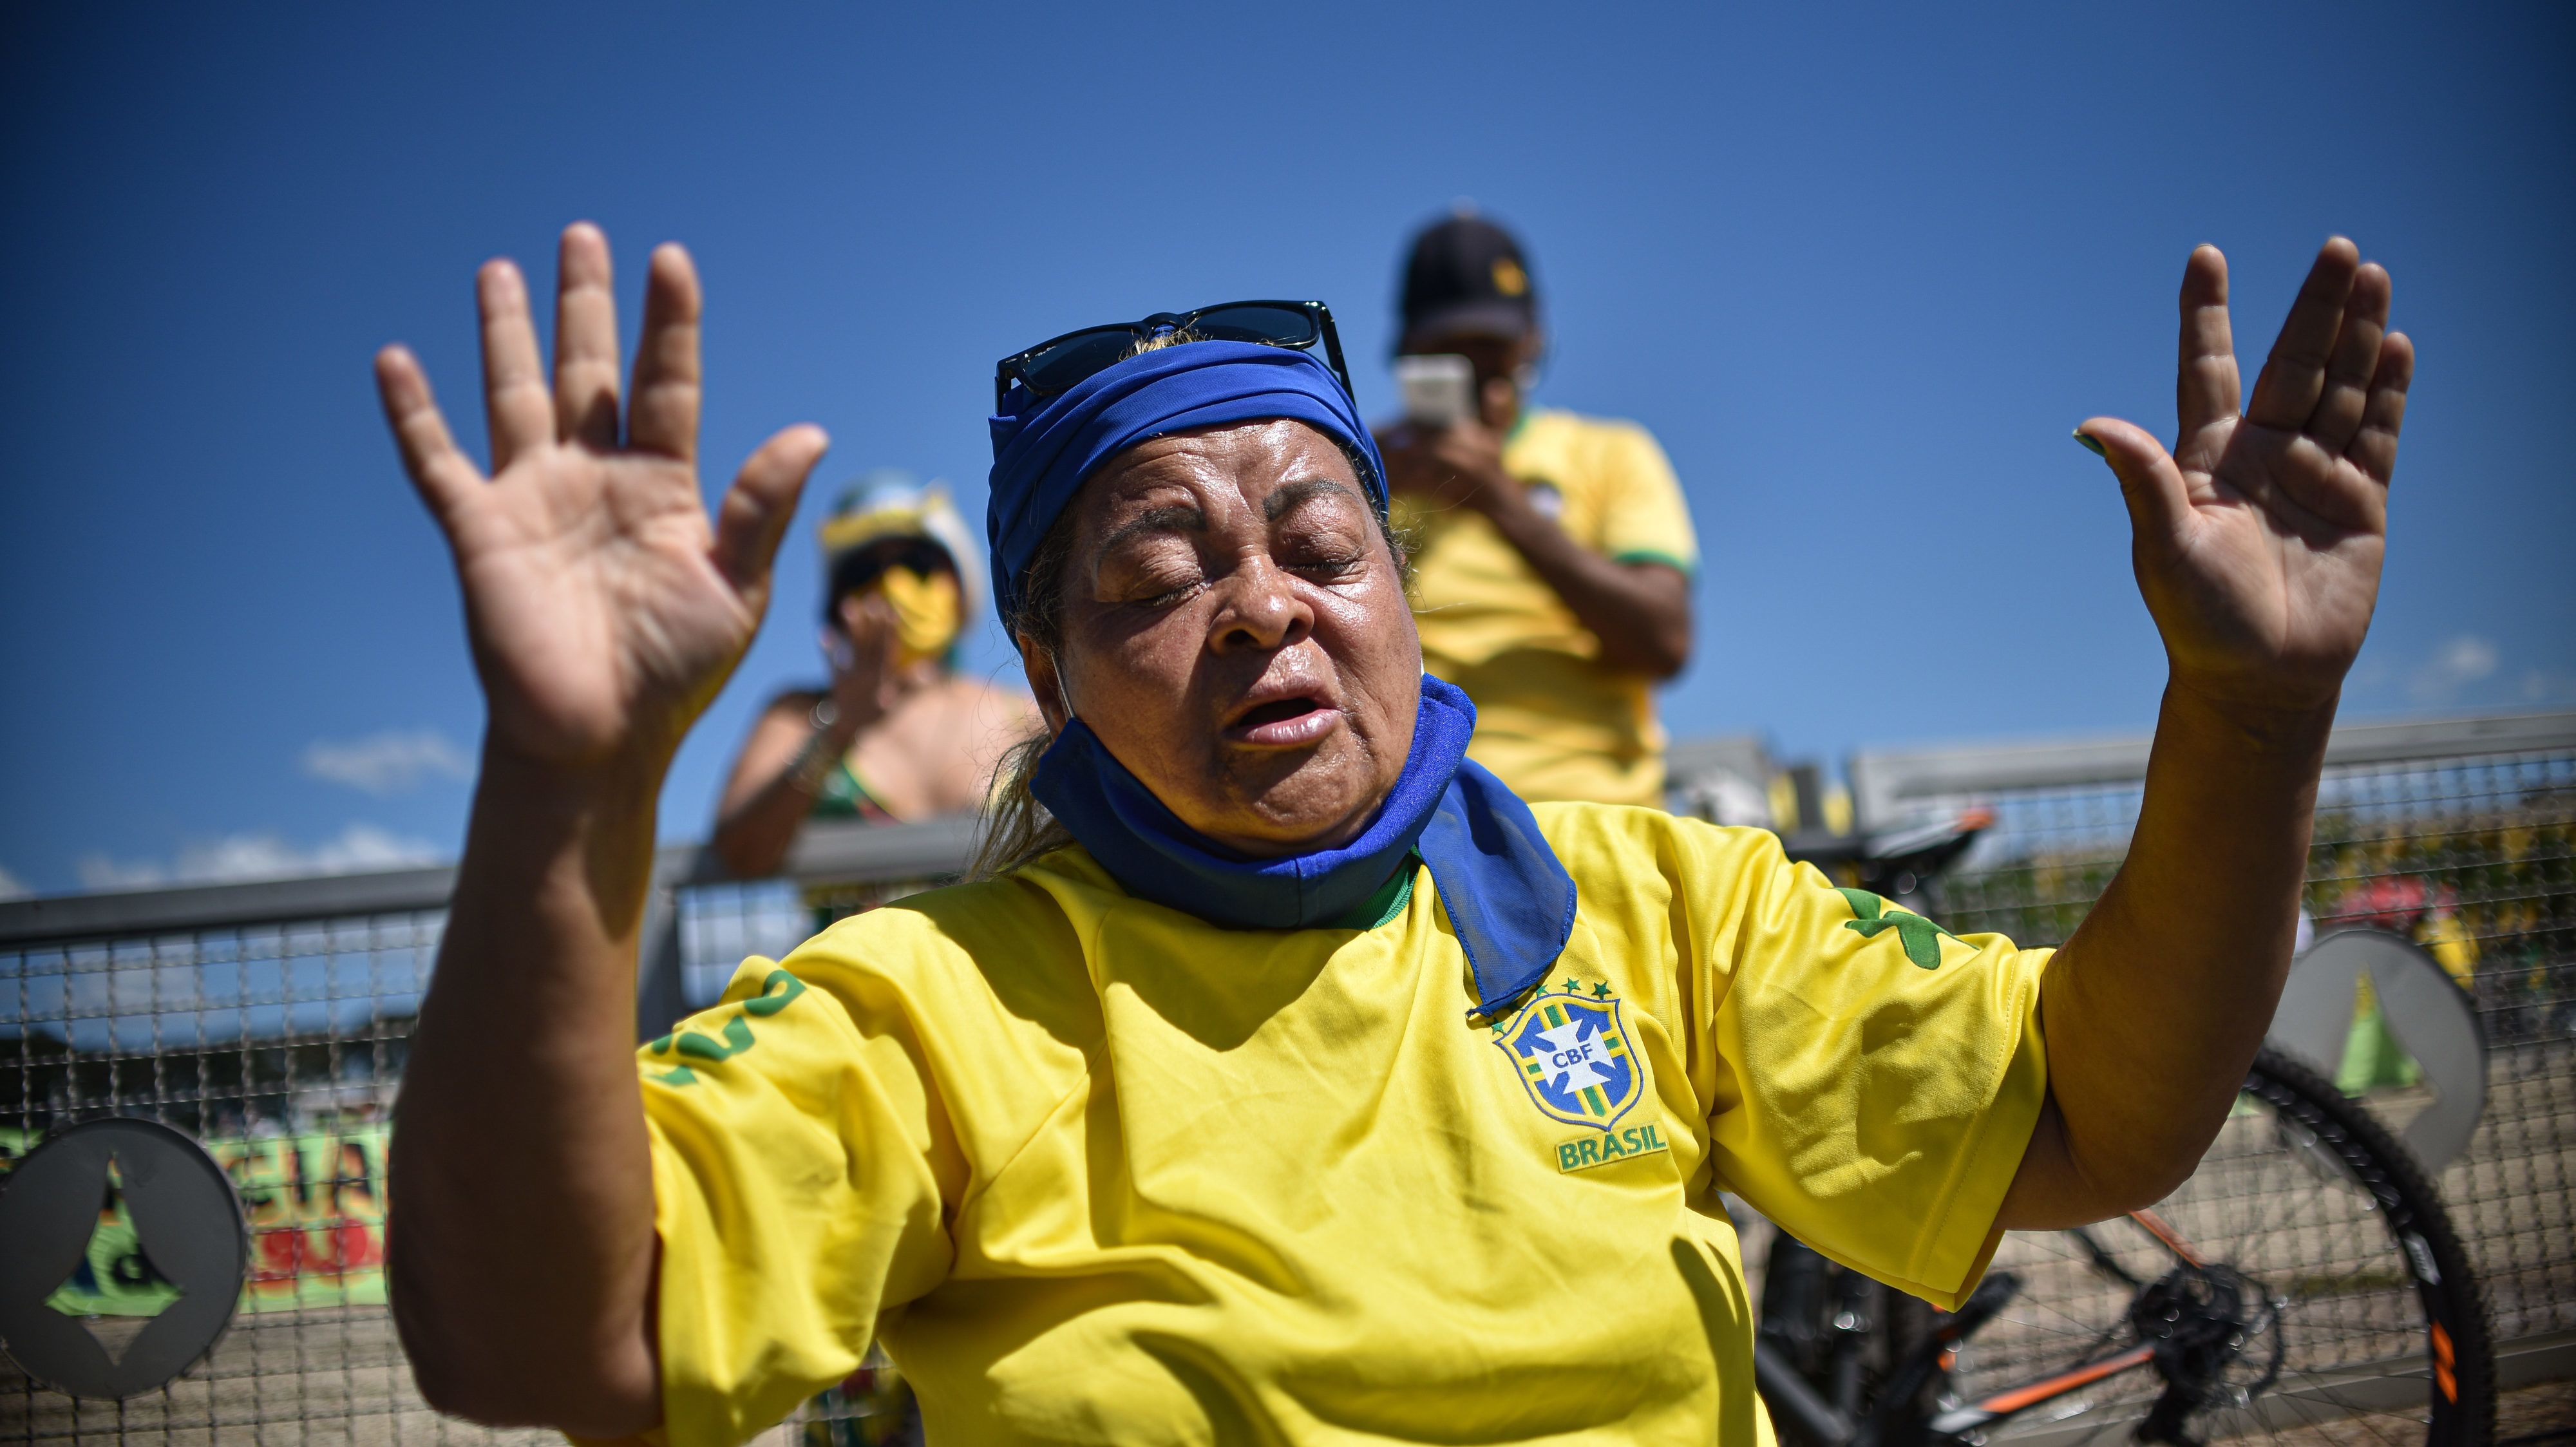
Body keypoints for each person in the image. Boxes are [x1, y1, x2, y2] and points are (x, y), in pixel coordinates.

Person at [376, 222, 2411, 1445]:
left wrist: (2248, 706)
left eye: (1318, 540)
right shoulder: (939, 1005)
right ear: (1051, 670)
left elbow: (2096, 1115)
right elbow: (545, 1337)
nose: (1262, 604)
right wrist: (565, 774)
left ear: (1397, 588)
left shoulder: (1650, 908)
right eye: (1158, 569)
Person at [1374, 212, 1697, 806]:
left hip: (1592, 803)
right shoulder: (1363, 470)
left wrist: (1499, 500)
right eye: (1452, 352)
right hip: (1420, 810)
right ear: (1407, 351)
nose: (1479, 376)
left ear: (1533, 342)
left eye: (1494, 352)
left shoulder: (1611, 454)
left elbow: (1664, 641)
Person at [708, 473, 1037, 880]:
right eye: (864, 572)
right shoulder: (799, 714)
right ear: (837, 605)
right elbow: (738, 854)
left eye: (916, 564)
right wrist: (838, 730)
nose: (892, 584)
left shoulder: (1023, 713)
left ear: (958, 585)